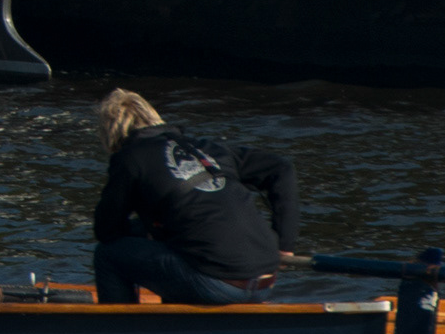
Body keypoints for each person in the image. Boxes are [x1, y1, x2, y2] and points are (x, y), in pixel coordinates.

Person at [89, 89, 300, 305]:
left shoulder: (129, 158)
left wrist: (147, 229)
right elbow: (281, 168)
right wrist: (285, 243)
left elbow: (106, 231)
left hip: (217, 286)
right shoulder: (208, 149)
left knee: (108, 254)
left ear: (110, 133)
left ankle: (123, 325)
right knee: (162, 234)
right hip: (266, 280)